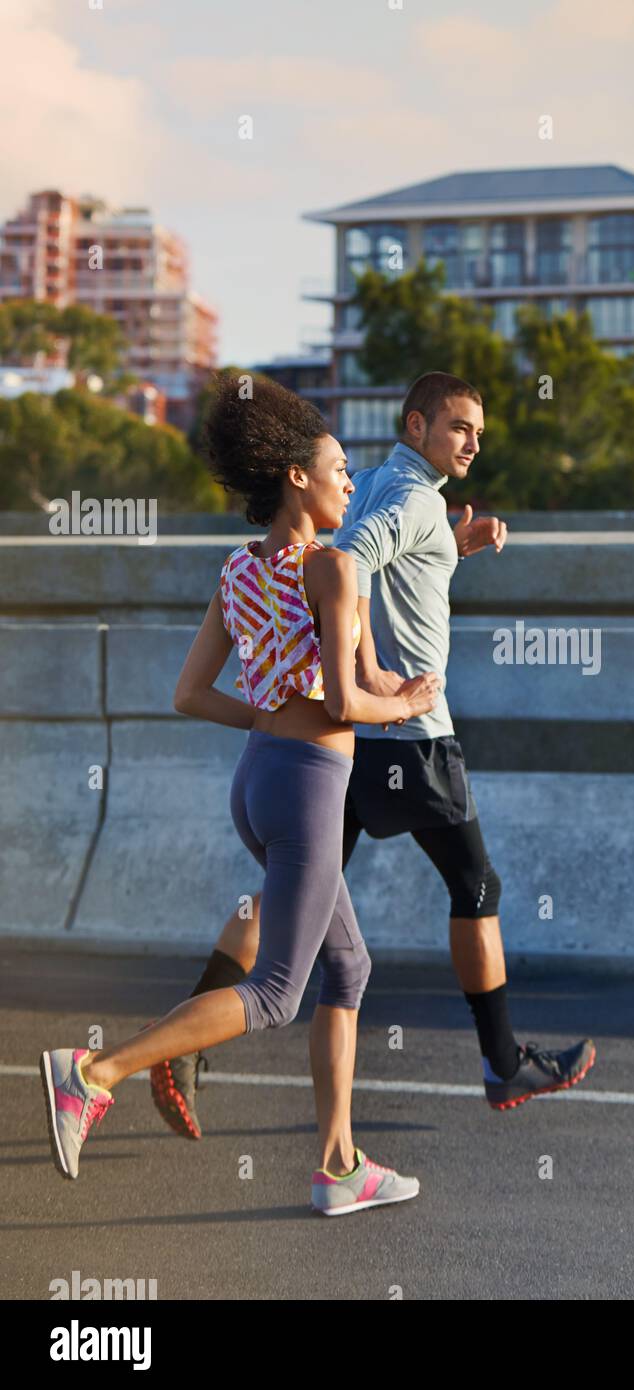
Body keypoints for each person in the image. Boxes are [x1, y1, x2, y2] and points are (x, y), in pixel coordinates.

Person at [151, 371, 594, 1139]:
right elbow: (347, 563)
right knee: (475, 883)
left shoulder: (381, 486)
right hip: (408, 733)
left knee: (299, 891)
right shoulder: (408, 496)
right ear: (416, 424)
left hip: (340, 744)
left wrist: (452, 546)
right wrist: (374, 680)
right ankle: (499, 1062)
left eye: (478, 432)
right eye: (460, 427)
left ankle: (186, 1047)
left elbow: (367, 559)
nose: (473, 443)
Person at [40, 372, 439, 1216]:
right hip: (306, 790)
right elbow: (341, 703)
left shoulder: (238, 570)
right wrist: (402, 703)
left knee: (349, 965)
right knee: (275, 994)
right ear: (296, 476)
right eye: (337, 468)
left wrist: (271, 709)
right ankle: (94, 1072)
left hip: (258, 779)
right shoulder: (331, 569)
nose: (347, 480)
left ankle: (338, 1167)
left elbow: (190, 693)